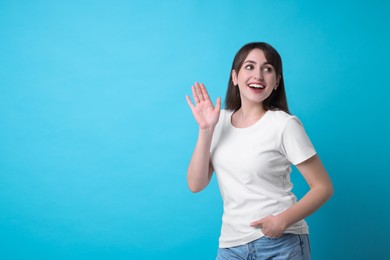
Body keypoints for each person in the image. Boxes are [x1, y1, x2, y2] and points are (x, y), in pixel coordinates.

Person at [185, 42, 334, 260]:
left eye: (268, 69)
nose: (259, 75)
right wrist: (206, 129)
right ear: (234, 77)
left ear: (276, 82)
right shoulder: (218, 120)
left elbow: (323, 187)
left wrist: (281, 221)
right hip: (230, 245)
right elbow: (196, 184)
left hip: (280, 243)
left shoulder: (284, 125)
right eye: (250, 67)